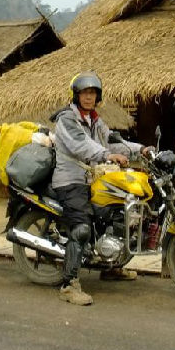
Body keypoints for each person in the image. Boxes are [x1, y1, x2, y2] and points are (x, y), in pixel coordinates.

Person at [50, 71, 151, 306]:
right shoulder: (67, 118)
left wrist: (141, 150)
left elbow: (115, 140)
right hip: (70, 180)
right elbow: (81, 145)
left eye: (93, 93)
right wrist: (107, 155)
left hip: (92, 180)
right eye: (84, 92)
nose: (89, 97)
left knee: (117, 214)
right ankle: (69, 285)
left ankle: (110, 266)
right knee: (82, 228)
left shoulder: (95, 120)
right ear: (76, 95)